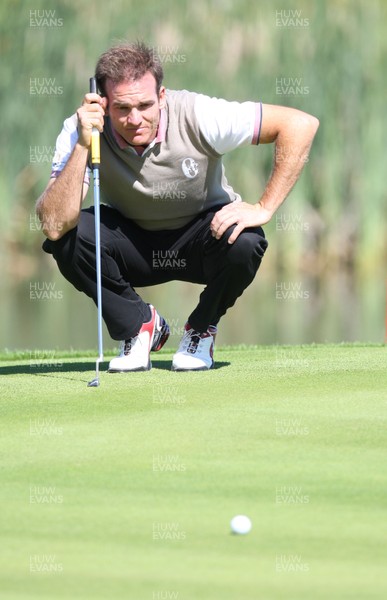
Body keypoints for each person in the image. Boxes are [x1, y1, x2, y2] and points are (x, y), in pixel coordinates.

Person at [36, 41, 319, 372]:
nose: (135, 118)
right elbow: (54, 223)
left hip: (203, 237)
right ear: (103, 103)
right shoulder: (81, 129)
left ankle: (200, 330)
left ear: (162, 97)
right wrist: (85, 142)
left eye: (144, 105)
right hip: (133, 243)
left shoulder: (199, 114)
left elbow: (300, 125)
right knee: (67, 237)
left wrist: (264, 207)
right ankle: (138, 327)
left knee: (247, 241)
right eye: (122, 108)